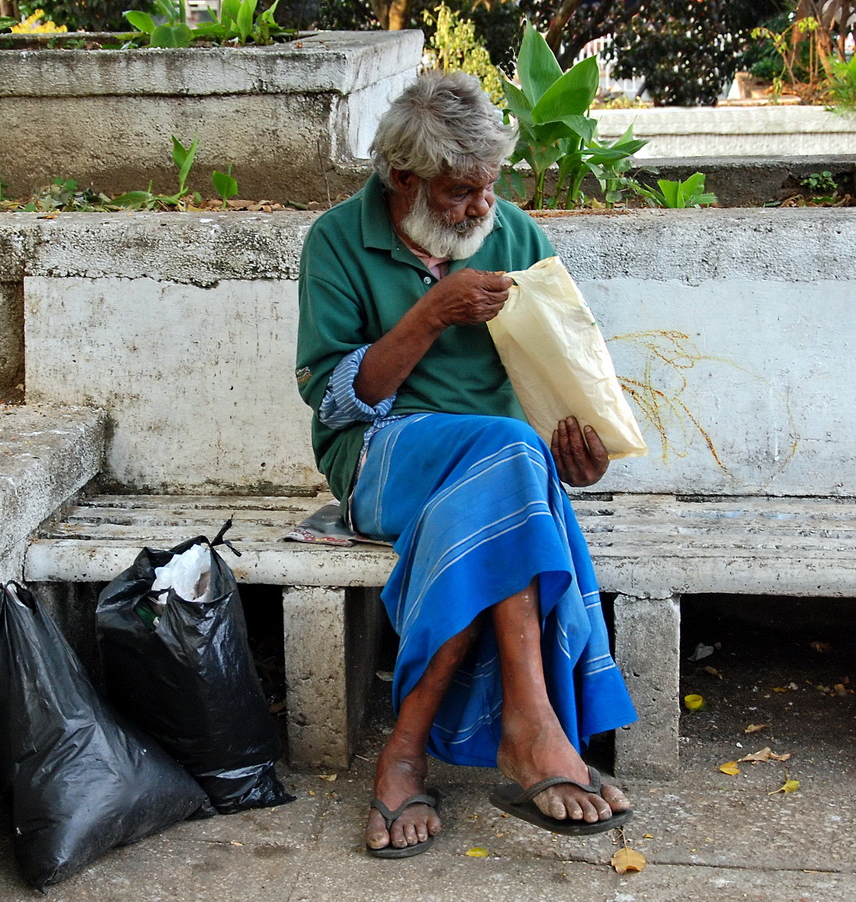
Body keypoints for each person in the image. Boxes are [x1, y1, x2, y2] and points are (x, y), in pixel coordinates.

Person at [294, 71, 638, 858]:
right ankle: (534, 725)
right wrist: (429, 315)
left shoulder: (515, 236)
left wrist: (574, 456)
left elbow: (555, 386)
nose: (482, 206)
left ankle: (407, 752)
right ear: (403, 177)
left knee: (508, 471)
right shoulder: (338, 241)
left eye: (490, 186)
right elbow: (335, 405)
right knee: (507, 462)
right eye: (460, 192)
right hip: (381, 456)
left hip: (501, 468)